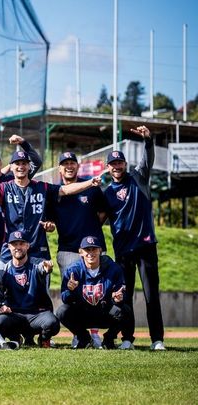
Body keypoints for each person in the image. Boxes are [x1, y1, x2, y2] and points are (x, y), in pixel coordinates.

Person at [0, 150, 101, 269]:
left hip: (38, 249)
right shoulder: (4, 188)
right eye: (17, 164)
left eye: (24, 163)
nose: (21, 167)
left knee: (40, 293)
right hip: (10, 249)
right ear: (11, 167)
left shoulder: (41, 186)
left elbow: (64, 190)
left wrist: (89, 183)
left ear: (28, 167)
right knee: (3, 292)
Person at [102, 125, 165, 351]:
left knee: (151, 296)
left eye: (120, 163)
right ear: (108, 167)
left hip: (146, 246)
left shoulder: (139, 177)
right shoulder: (107, 193)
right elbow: (97, 219)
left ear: (125, 164)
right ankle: (127, 339)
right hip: (123, 251)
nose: (117, 166)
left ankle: (157, 340)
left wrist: (148, 140)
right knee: (124, 298)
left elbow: (147, 159)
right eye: (113, 164)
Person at [0, 135, 43, 274]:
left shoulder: (14, 178)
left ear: (1, 164)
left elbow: (36, 162)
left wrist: (23, 142)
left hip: (17, 240)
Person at [56, 236, 132, 349]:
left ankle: (109, 339)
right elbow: (65, 299)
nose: (91, 253)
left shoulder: (113, 268)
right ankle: (84, 338)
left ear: (100, 251)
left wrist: (118, 299)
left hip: (104, 312)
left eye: (94, 249)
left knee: (125, 310)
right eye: (87, 250)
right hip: (83, 313)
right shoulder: (73, 270)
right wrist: (70, 291)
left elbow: (121, 294)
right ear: (80, 252)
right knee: (62, 311)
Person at [0, 231, 60, 347]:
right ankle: (15, 338)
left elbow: (42, 269)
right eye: (14, 244)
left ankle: (43, 340)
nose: (18, 247)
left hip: (36, 315)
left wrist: (47, 269)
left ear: (28, 246)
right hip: (15, 315)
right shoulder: (3, 271)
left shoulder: (36, 263)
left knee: (52, 322)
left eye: (21, 244)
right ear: (9, 247)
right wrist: (2, 306)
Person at [51, 151, 107, 273]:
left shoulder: (92, 188)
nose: (69, 167)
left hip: (94, 248)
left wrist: (90, 227)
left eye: (72, 163)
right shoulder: (53, 192)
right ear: (59, 169)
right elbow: (50, 220)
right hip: (68, 251)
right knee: (71, 289)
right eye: (65, 164)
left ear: (78, 166)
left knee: (98, 290)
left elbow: (103, 213)